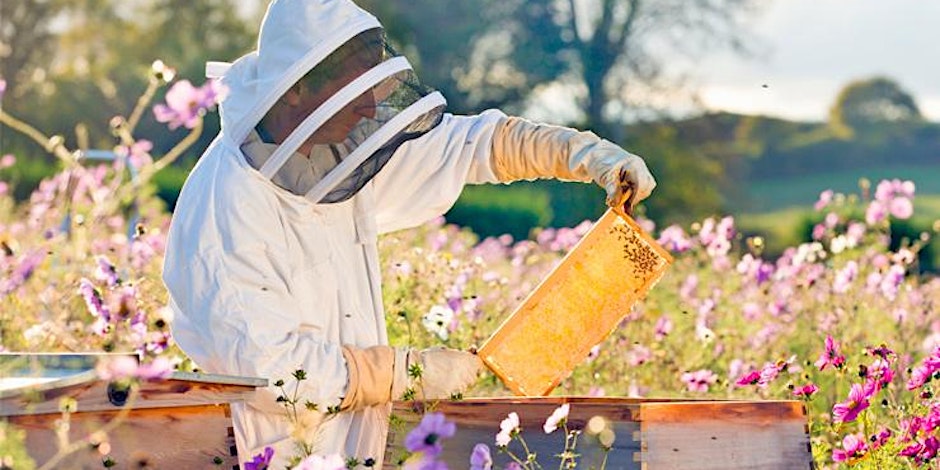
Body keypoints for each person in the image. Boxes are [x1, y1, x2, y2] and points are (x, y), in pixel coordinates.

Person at [162, 0, 656, 467]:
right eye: (354, 95)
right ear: (296, 89)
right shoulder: (226, 211)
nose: (368, 109)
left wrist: (585, 154)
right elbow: (272, 370)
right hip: (271, 449)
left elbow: (473, 146)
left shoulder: (332, 156)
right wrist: (402, 372)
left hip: (358, 441)